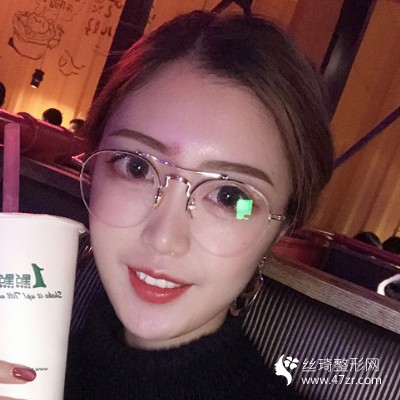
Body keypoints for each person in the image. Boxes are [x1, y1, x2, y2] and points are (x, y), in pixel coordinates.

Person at [0, 10, 334, 399]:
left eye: (230, 197)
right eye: (137, 167)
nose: (164, 239)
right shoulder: (33, 363)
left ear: (281, 229)